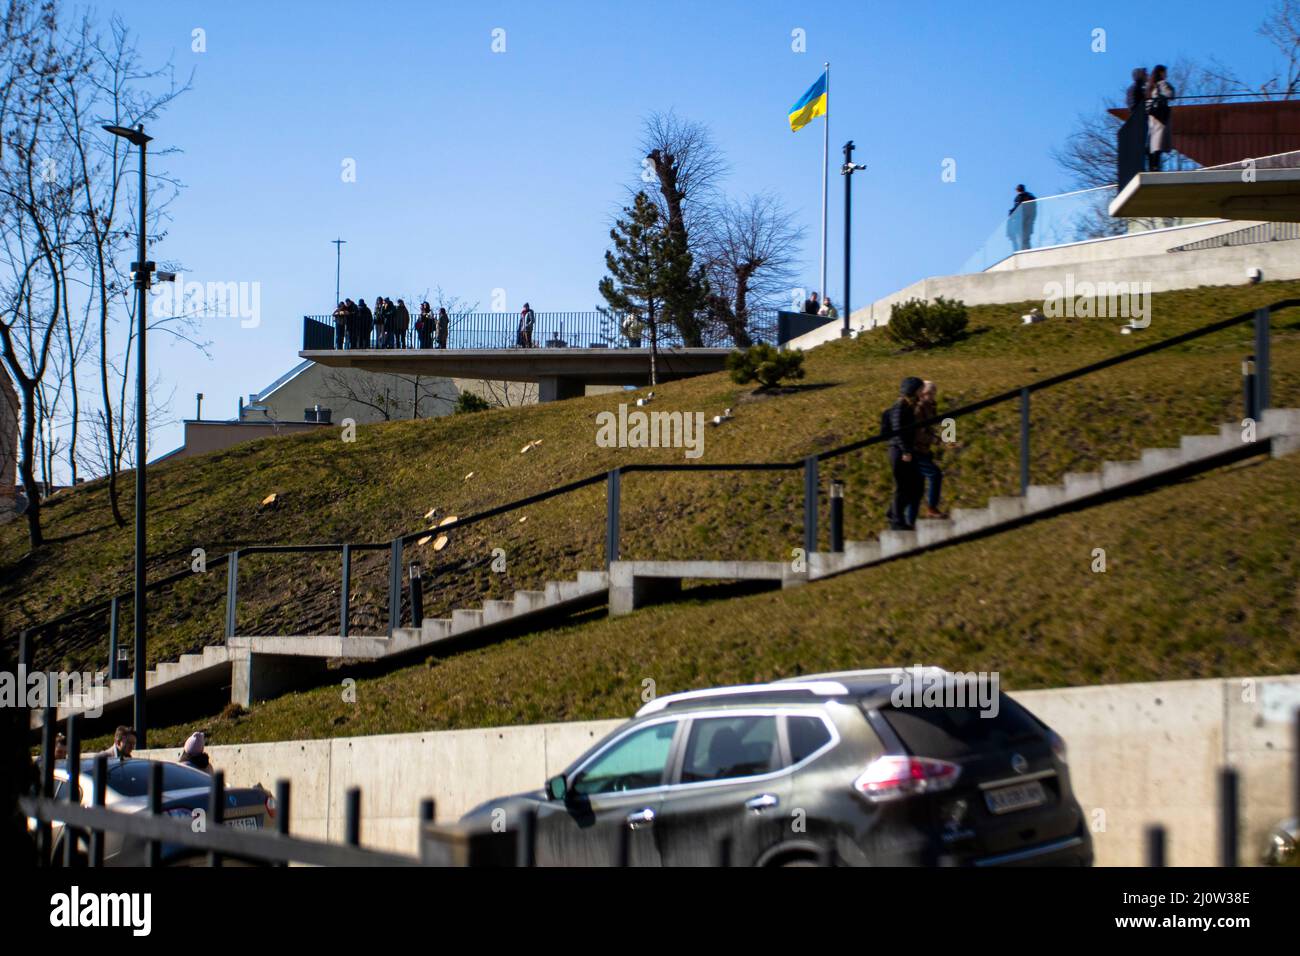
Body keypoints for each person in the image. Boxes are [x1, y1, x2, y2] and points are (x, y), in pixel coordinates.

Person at [883, 377, 925, 531]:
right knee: (904, 486)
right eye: (920, 389)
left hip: (904, 449)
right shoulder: (900, 406)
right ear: (913, 390)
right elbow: (897, 429)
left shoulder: (908, 405)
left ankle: (893, 513)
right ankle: (896, 520)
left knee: (915, 485)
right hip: (899, 450)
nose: (922, 392)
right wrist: (905, 450)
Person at [910, 380, 948, 522]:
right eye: (929, 393)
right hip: (916, 451)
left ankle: (910, 520)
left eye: (933, 393)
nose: (932, 396)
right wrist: (935, 440)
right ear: (922, 393)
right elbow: (918, 433)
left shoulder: (929, 406)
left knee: (916, 488)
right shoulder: (918, 408)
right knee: (934, 474)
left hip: (923, 450)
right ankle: (931, 508)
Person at [1146, 64, 1174, 171]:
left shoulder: (1150, 86)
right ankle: (1155, 166)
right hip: (1161, 116)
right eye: (1165, 72)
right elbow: (1170, 95)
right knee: (1158, 142)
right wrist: (1169, 87)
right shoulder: (1162, 83)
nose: (1166, 74)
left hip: (1153, 115)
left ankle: (1152, 166)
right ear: (1161, 73)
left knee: (1153, 142)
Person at [1007, 184, 1037, 252]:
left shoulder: (1020, 197)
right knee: (1026, 239)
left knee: (1023, 239)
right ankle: (1027, 251)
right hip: (1028, 222)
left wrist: (1011, 213)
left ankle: (1025, 252)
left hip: (1022, 222)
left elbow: (1017, 208)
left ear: (1018, 190)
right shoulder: (1030, 197)